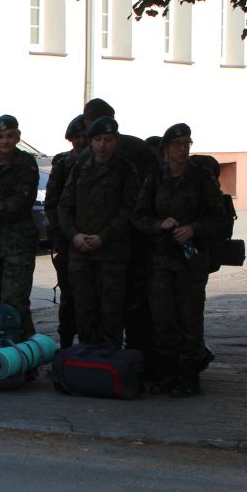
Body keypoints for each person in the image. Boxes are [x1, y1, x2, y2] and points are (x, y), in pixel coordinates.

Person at [133, 123, 227, 397]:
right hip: (162, 258)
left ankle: (189, 374)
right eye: (178, 144)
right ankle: (168, 372)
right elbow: (139, 216)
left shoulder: (201, 176)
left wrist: (193, 228)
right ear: (166, 148)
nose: (183, 149)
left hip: (191, 260)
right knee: (163, 318)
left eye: (187, 144)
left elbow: (218, 217)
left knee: (190, 318)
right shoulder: (155, 177)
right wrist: (159, 224)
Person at [59, 116, 140, 347]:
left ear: (115, 141)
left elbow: (129, 209)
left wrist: (103, 237)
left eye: (108, 140)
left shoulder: (125, 169)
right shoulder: (79, 167)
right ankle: (88, 359)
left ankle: (109, 359)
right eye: (98, 140)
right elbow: (65, 205)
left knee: (111, 312)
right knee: (84, 311)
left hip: (111, 254)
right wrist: (74, 235)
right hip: (81, 253)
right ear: (91, 141)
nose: (103, 145)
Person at [83, 97, 155, 353]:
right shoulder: (133, 147)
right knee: (127, 300)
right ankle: (132, 353)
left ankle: (108, 355)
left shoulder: (120, 153)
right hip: (126, 237)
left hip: (124, 238)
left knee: (109, 302)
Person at [0, 115, 40, 338]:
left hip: (18, 243)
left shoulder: (26, 163)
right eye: (0, 137)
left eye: (10, 136)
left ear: (17, 138)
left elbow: (20, 203)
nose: (5, 141)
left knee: (16, 303)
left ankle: (25, 351)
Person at [43, 115, 89, 347]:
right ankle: (66, 344)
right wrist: (65, 233)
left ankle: (91, 346)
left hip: (94, 239)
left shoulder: (101, 162)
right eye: (76, 137)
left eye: (84, 136)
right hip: (68, 242)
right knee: (69, 298)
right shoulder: (63, 164)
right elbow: (52, 204)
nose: (80, 141)